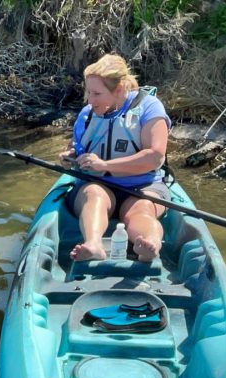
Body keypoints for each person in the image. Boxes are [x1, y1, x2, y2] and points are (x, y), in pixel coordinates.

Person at [59, 54, 172, 262]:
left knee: (141, 208)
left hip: (143, 186)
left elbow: (155, 157)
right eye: (89, 92)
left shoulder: (149, 107)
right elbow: (76, 147)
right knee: (94, 194)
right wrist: (70, 157)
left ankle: (150, 244)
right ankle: (93, 245)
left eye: (96, 94)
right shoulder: (88, 113)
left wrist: (105, 165)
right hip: (98, 184)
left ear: (119, 90)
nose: (89, 100)